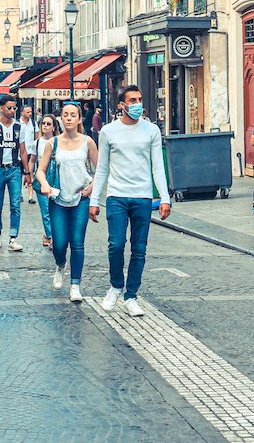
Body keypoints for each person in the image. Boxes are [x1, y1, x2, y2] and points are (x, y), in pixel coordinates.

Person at [91, 84, 170, 317]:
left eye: (139, 100)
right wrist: (95, 199)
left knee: (139, 248)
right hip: (116, 195)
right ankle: (115, 286)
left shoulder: (152, 130)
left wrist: (164, 198)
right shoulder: (108, 131)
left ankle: (131, 295)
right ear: (121, 105)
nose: (138, 105)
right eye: (132, 101)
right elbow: (102, 167)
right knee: (116, 244)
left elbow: (158, 166)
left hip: (143, 196)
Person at [38, 102, 98, 303]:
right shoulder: (52, 143)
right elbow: (40, 170)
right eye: (66, 115)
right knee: (60, 243)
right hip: (58, 198)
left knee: (78, 242)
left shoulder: (88, 141)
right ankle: (60, 264)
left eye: (73, 115)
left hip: (81, 198)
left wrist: (92, 187)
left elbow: (101, 168)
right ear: (61, 119)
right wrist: (44, 184)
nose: (69, 118)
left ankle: (75, 285)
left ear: (79, 119)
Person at [0, 94, 30, 252]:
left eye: (14, 108)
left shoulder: (20, 127)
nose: (12, 110)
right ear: (1, 108)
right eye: (9, 108)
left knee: (15, 205)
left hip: (14, 169)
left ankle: (13, 237)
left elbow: (23, 151)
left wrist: (27, 172)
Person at [31, 113, 59, 248]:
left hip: (56, 179)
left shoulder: (59, 141)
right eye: (43, 123)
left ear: (54, 127)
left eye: (49, 124)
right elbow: (32, 160)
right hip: (41, 180)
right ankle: (51, 236)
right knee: (46, 211)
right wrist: (29, 176)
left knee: (56, 209)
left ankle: (53, 235)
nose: (46, 126)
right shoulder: (36, 143)